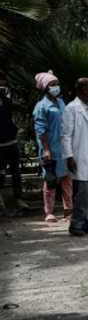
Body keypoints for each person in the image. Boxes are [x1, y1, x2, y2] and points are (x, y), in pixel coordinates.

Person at [62, 77, 88, 236]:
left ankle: (87, 221)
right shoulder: (72, 108)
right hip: (80, 153)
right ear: (81, 89)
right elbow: (66, 135)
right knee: (82, 191)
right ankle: (76, 223)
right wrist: (69, 156)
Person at [32, 72, 71, 223]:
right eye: (52, 85)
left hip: (64, 147)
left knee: (67, 179)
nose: (56, 87)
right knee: (51, 181)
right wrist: (46, 149)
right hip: (50, 148)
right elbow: (40, 130)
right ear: (45, 88)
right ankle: (49, 212)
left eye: (57, 84)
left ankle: (68, 210)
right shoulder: (41, 106)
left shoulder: (61, 103)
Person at [0, 70, 24, 214]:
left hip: (12, 141)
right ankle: (1, 202)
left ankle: (18, 199)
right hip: (0, 145)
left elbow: (17, 110)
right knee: (0, 173)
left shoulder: (7, 100)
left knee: (16, 172)